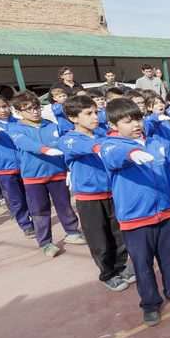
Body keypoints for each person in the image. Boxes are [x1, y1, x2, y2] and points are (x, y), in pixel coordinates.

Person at [100, 98, 170, 327]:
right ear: (113, 125)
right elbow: (114, 155)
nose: (135, 124)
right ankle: (150, 303)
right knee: (142, 264)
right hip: (136, 219)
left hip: (164, 213)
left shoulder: (155, 143)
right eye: (127, 121)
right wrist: (131, 154)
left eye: (137, 118)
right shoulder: (110, 145)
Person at [57, 96, 133, 291]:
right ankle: (107, 273)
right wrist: (99, 147)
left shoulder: (102, 134)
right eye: (88, 113)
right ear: (73, 118)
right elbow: (83, 147)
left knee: (118, 234)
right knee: (99, 239)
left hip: (113, 194)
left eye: (96, 112)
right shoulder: (69, 139)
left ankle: (121, 266)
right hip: (89, 199)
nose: (95, 117)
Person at [8, 91, 84, 257]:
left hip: (57, 174)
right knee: (39, 210)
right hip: (34, 178)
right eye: (29, 109)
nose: (35, 112)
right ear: (19, 112)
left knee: (64, 205)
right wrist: (44, 149)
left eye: (37, 108)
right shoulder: (15, 129)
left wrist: (69, 168)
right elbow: (25, 143)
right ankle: (45, 242)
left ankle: (72, 232)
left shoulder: (51, 125)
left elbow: (64, 146)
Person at [0, 94, 35, 238]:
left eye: (4, 106)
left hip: (26, 166)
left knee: (31, 196)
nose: (2, 110)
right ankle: (25, 224)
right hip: (4, 169)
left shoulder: (18, 122)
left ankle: (36, 220)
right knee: (15, 199)